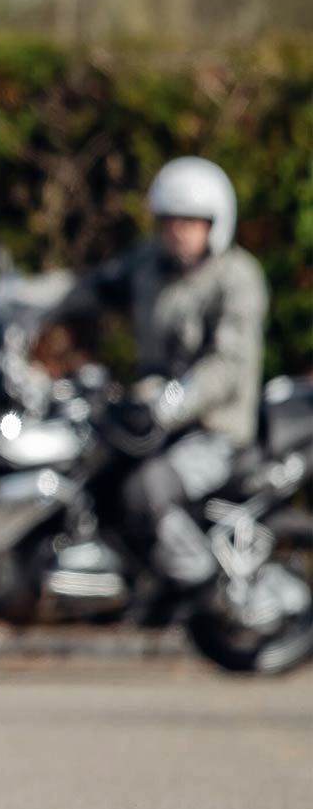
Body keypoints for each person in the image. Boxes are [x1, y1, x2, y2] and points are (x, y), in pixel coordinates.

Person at [56, 156, 268, 599]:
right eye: (170, 221)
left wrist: (175, 401)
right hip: (153, 422)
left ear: (215, 223)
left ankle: (200, 585)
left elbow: (227, 367)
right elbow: (88, 291)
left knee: (148, 489)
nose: (179, 231)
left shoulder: (236, 278)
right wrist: (29, 301)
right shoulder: (149, 267)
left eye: (191, 221)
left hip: (215, 428)